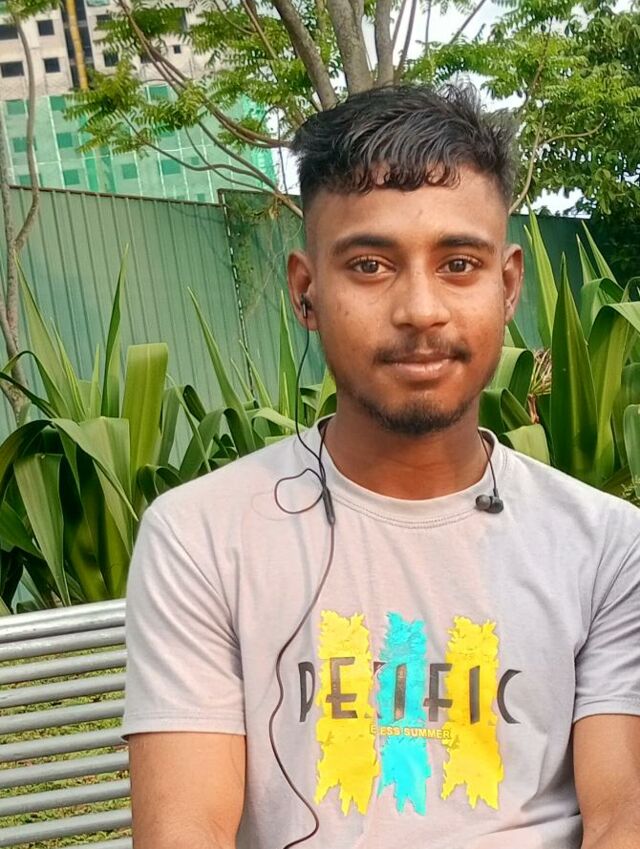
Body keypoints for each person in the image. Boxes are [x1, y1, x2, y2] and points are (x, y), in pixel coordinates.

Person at [122, 85, 640, 849]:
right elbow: (184, 828)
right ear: (306, 291)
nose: (420, 309)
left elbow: (624, 818)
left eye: (459, 263)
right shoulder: (202, 536)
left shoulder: (606, 546)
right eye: (369, 265)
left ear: (507, 286)